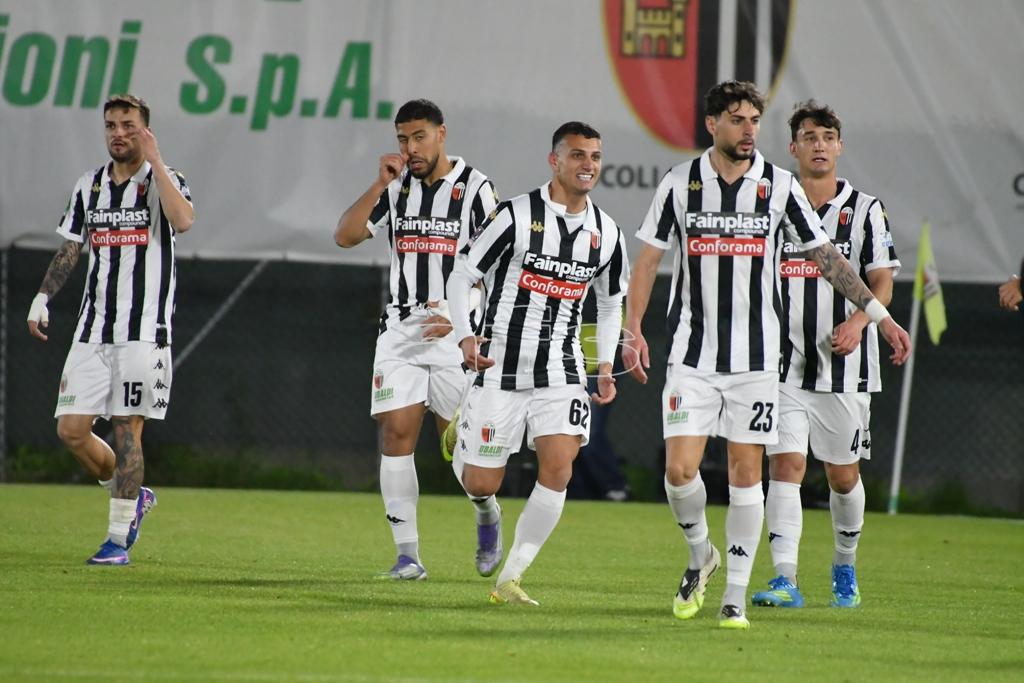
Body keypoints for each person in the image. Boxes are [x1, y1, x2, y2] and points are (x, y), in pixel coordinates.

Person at [623, 81, 910, 629]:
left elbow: (827, 259)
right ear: (712, 124)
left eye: (755, 120)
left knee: (751, 474)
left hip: (758, 362)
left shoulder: (779, 187)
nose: (748, 129)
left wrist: (880, 318)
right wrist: (632, 329)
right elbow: (647, 262)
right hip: (692, 355)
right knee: (679, 472)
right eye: (737, 119)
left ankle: (735, 596)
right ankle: (701, 554)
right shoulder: (679, 182)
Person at [444, 122, 630, 605]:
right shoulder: (515, 215)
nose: (588, 164)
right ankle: (486, 510)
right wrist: (465, 335)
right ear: (555, 160)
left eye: (595, 156)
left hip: (561, 369)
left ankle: (511, 577)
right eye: (578, 155)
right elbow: (462, 274)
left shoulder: (607, 233)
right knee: (481, 482)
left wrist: (603, 364)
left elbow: (612, 303)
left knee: (559, 466)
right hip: (500, 365)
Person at [334, 99, 499, 580]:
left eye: (419, 137)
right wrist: (379, 184)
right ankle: (408, 556)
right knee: (395, 433)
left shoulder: (476, 189)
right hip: (401, 332)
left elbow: (498, 267)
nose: (410, 148)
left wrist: (464, 319)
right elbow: (345, 235)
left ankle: (486, 511)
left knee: (466, 457)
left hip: (454, 336)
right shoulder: (396, 187)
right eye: (403, 139)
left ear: (441, 134)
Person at [26, 94, 194, 565]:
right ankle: (130, 495)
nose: (118, 133)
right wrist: (41, 298)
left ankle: (117, 541)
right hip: (92, 330)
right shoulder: (90, 186)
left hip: (143, 333)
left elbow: (183, 221)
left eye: (128, 125)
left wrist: (156, 161)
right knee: (71, 431)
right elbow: (71, 248)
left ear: (145, 130)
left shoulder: (164, 180)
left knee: (126, 429)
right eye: (111, 125)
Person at [748, 101, 901, 611]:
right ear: (793, 148)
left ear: (840, 147)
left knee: (843, 476)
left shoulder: (865, 209)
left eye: (828, 137)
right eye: (809, 137)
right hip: (781, 366)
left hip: (845, 370)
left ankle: (844, 564)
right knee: (786, 466)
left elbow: (882, 280)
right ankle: (785, 578)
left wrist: (859, 322)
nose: (819, 145)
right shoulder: (773, 205)